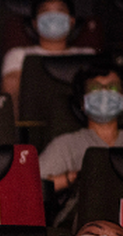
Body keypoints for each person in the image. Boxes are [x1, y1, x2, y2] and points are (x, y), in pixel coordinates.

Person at [40, 62, 123, 226]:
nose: (105, 93)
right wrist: (74, 178)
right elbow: (33, 187)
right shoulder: (65, 144)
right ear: (82, 103)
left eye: (112, 88)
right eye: (96, 89)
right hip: (84, 228)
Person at [0, 0, 94, 115]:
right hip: (34, 121)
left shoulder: (88, 54)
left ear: (72, 21)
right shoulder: (18, 55)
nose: (53, 16)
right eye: (45, 11)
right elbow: (12, 95)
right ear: (34, 23)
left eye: (60, 11)